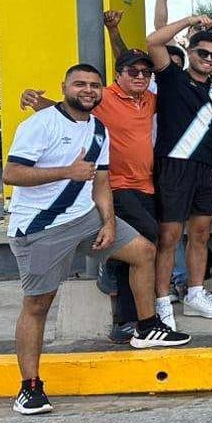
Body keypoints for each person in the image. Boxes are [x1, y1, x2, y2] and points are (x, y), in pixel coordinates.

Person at [4, 64, 189, 415]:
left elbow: (101, 182)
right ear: (64, 88)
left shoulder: (98, 130)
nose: (88, 90)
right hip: (41, 228)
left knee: (143, 251)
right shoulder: (39, 124)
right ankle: (29, 388)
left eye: (94, 85)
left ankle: (146, 327)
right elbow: (12, 173)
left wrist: (106, 221)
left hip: (86, 218)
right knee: (38, 306)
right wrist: (66, 172)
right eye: (80, 84)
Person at [20, 48, 163, 344]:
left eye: (144, 73)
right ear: (117, 75)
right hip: (102, 192)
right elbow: (67, 110)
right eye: (132, 72)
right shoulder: (103, 98)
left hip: (138, 187)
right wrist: (37, 102)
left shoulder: (144, 102)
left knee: (144, 246)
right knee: (144, 241)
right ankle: (124, 314)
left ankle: (139, 319)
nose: (139, 77)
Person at [146, 15, 212, 327]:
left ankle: (195, 294)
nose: (208, 59)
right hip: (172, 166)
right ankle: (162, 301)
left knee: (201, 234)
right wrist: (192, 19)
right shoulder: (170, 76)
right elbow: (153, 41)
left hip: (205, 169)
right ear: (189, 51)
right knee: (169, 236)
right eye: (202, 53)